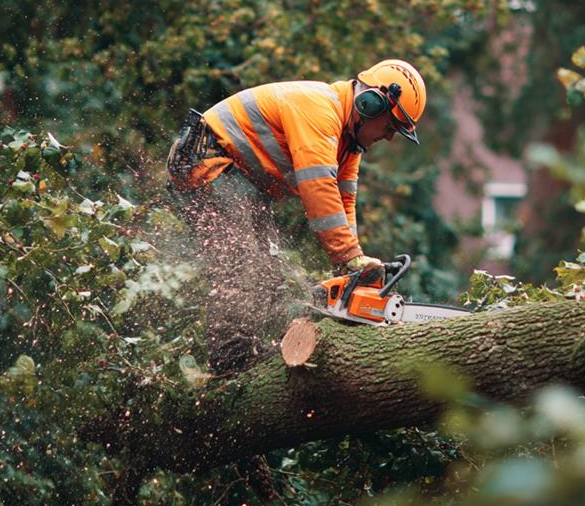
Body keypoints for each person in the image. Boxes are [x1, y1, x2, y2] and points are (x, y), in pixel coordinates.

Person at [166, 59, 427, 373]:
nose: (387, 137)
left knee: (272, 276)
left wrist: (353, 266)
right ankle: (229, 360)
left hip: (242, 183)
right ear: (369, 104)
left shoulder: (348, 145)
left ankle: (251, 349)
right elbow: (319, 189)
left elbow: (343, 202)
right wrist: (349, 255)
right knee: (244, 261)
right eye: (389, 127)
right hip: (208, 163)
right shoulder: (319, 109)